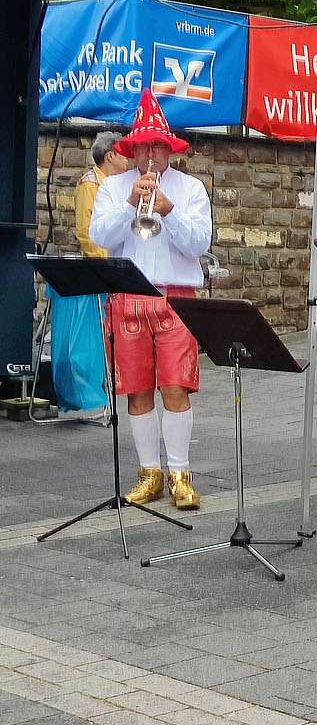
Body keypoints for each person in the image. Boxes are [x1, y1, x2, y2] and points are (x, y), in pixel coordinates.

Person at [88, 91, 212, 509]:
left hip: (176, 298)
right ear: (133, 150)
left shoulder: (191, 188)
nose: (152, 155)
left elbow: (199, 244)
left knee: (176, 388)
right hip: (129, 296)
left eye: (160, 146)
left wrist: (169, 209)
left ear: (169, 149)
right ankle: (149, 474)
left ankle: (180, 474)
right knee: (137, 391)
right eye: (145, 147)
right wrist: (129, 204)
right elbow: (100, 238)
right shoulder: (113, 188)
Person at [53, 131, 125, 415]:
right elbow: (87, 232)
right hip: (103, 269)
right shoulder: (90, 184)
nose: (128, 159)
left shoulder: (120, 184)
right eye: (123, 153)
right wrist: (107, 265)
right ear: (111, 156)